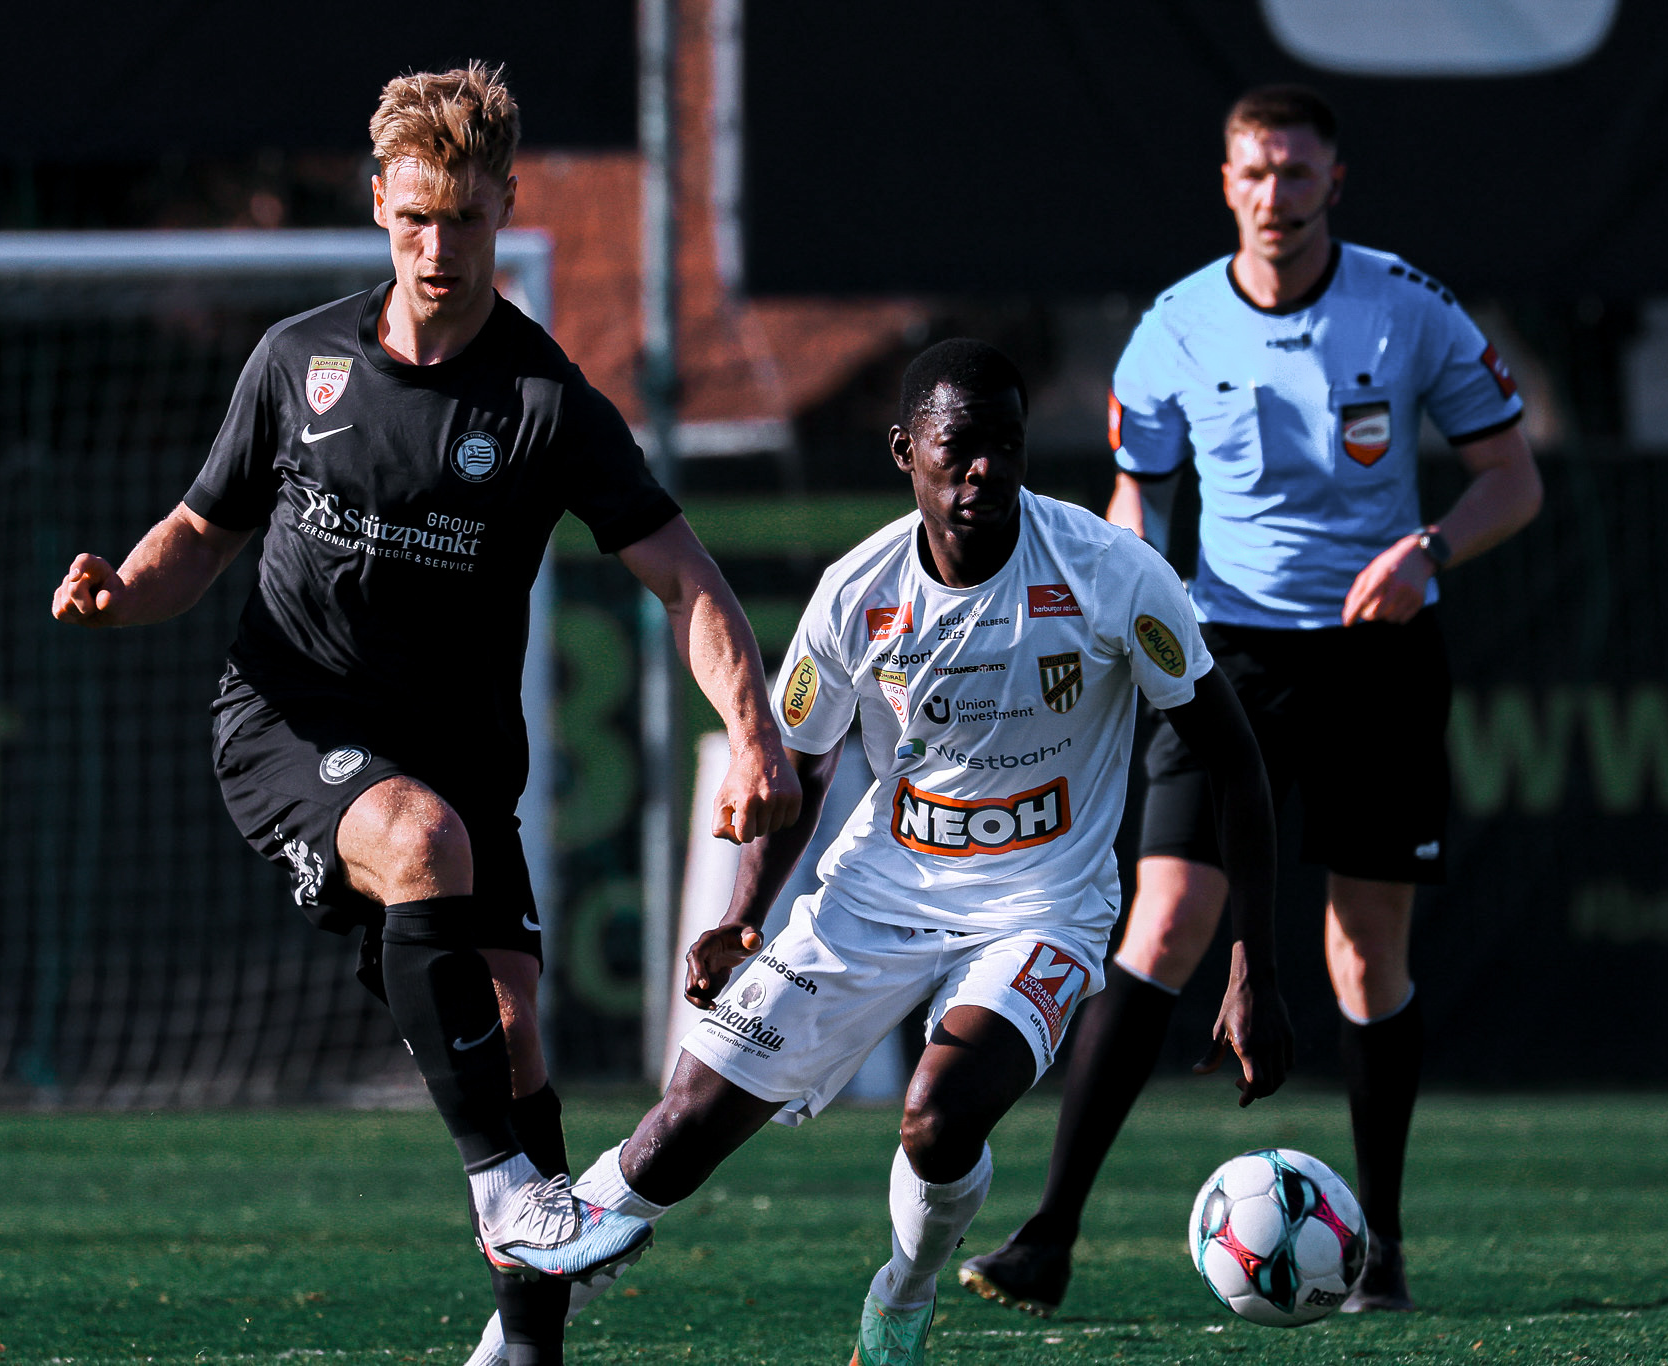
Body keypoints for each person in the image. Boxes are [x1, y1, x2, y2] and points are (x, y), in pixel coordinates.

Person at [49, 63, 800, 1366]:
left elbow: (684, 578)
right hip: (286, 727)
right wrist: (120, 592)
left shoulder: (543, 402)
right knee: (420, 842)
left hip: (457, 761)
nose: (434, 246)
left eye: (460, 217)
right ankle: (507, 1194)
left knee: (512, 1030)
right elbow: (197, 533)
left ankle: (526, 1341)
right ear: (380, 207)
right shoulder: (299, 360)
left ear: (502, 205)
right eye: (411, 218)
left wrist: (753, 729)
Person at [550, 339, 1292, 1366]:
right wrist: (741, 913)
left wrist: (1251, 958)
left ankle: (902, 1289)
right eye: (960, 444)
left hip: (1042, 908)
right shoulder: (855, 595)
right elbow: (800, 776)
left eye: (1007, 444)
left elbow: (1233, 761)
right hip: (876, 891)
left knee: (936, 1120)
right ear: (906, 451)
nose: (985, 465)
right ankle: (514, 1336)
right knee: (678, 1127)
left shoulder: (1110, 573)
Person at [958, 84, 1542, 1318]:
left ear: (1334, 180)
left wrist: (1427, 549)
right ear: (1222, 184)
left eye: (1293, 172)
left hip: (1375, 654)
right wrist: (1128, 613)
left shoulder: (1407, 308)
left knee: (1358, 950)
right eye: (1252, 174)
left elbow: (1511, 480)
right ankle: (1048, 1235)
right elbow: (1137, 508)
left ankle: (1376, 1246)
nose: (1272, 195)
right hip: (1222, 656)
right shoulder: (1171, 330)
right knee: (1161, 922)